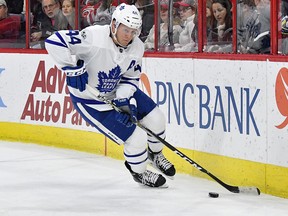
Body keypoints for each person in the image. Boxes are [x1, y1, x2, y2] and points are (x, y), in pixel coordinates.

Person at [45, 3, 176, 188]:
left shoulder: (137, 46)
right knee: (136, 138)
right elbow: (54, 41)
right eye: (125, 30)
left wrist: (123, 99)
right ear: (114, 24)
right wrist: (72, 68)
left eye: (133, 31)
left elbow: (131, 77)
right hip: (90, 100)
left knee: (157, 119)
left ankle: (155, 154)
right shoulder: (94, 36)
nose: (129, 36)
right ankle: (139, 172)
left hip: (115, 89)